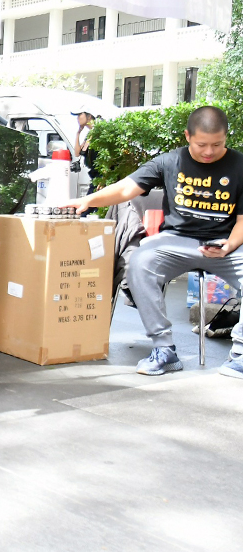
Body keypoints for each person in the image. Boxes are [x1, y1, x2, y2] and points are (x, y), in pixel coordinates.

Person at [65, 106, 243, 379]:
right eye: (201, 145)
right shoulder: (169, 162)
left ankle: (240, 355)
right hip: (176, 241)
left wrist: (229, 246)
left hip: (225, 243)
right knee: (139, 261)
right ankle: (164, 349)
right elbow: (126, 188)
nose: (209, 152)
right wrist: (87, 201)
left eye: (217, 145)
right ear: (187, 136)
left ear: (226, 138)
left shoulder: (239, 166)